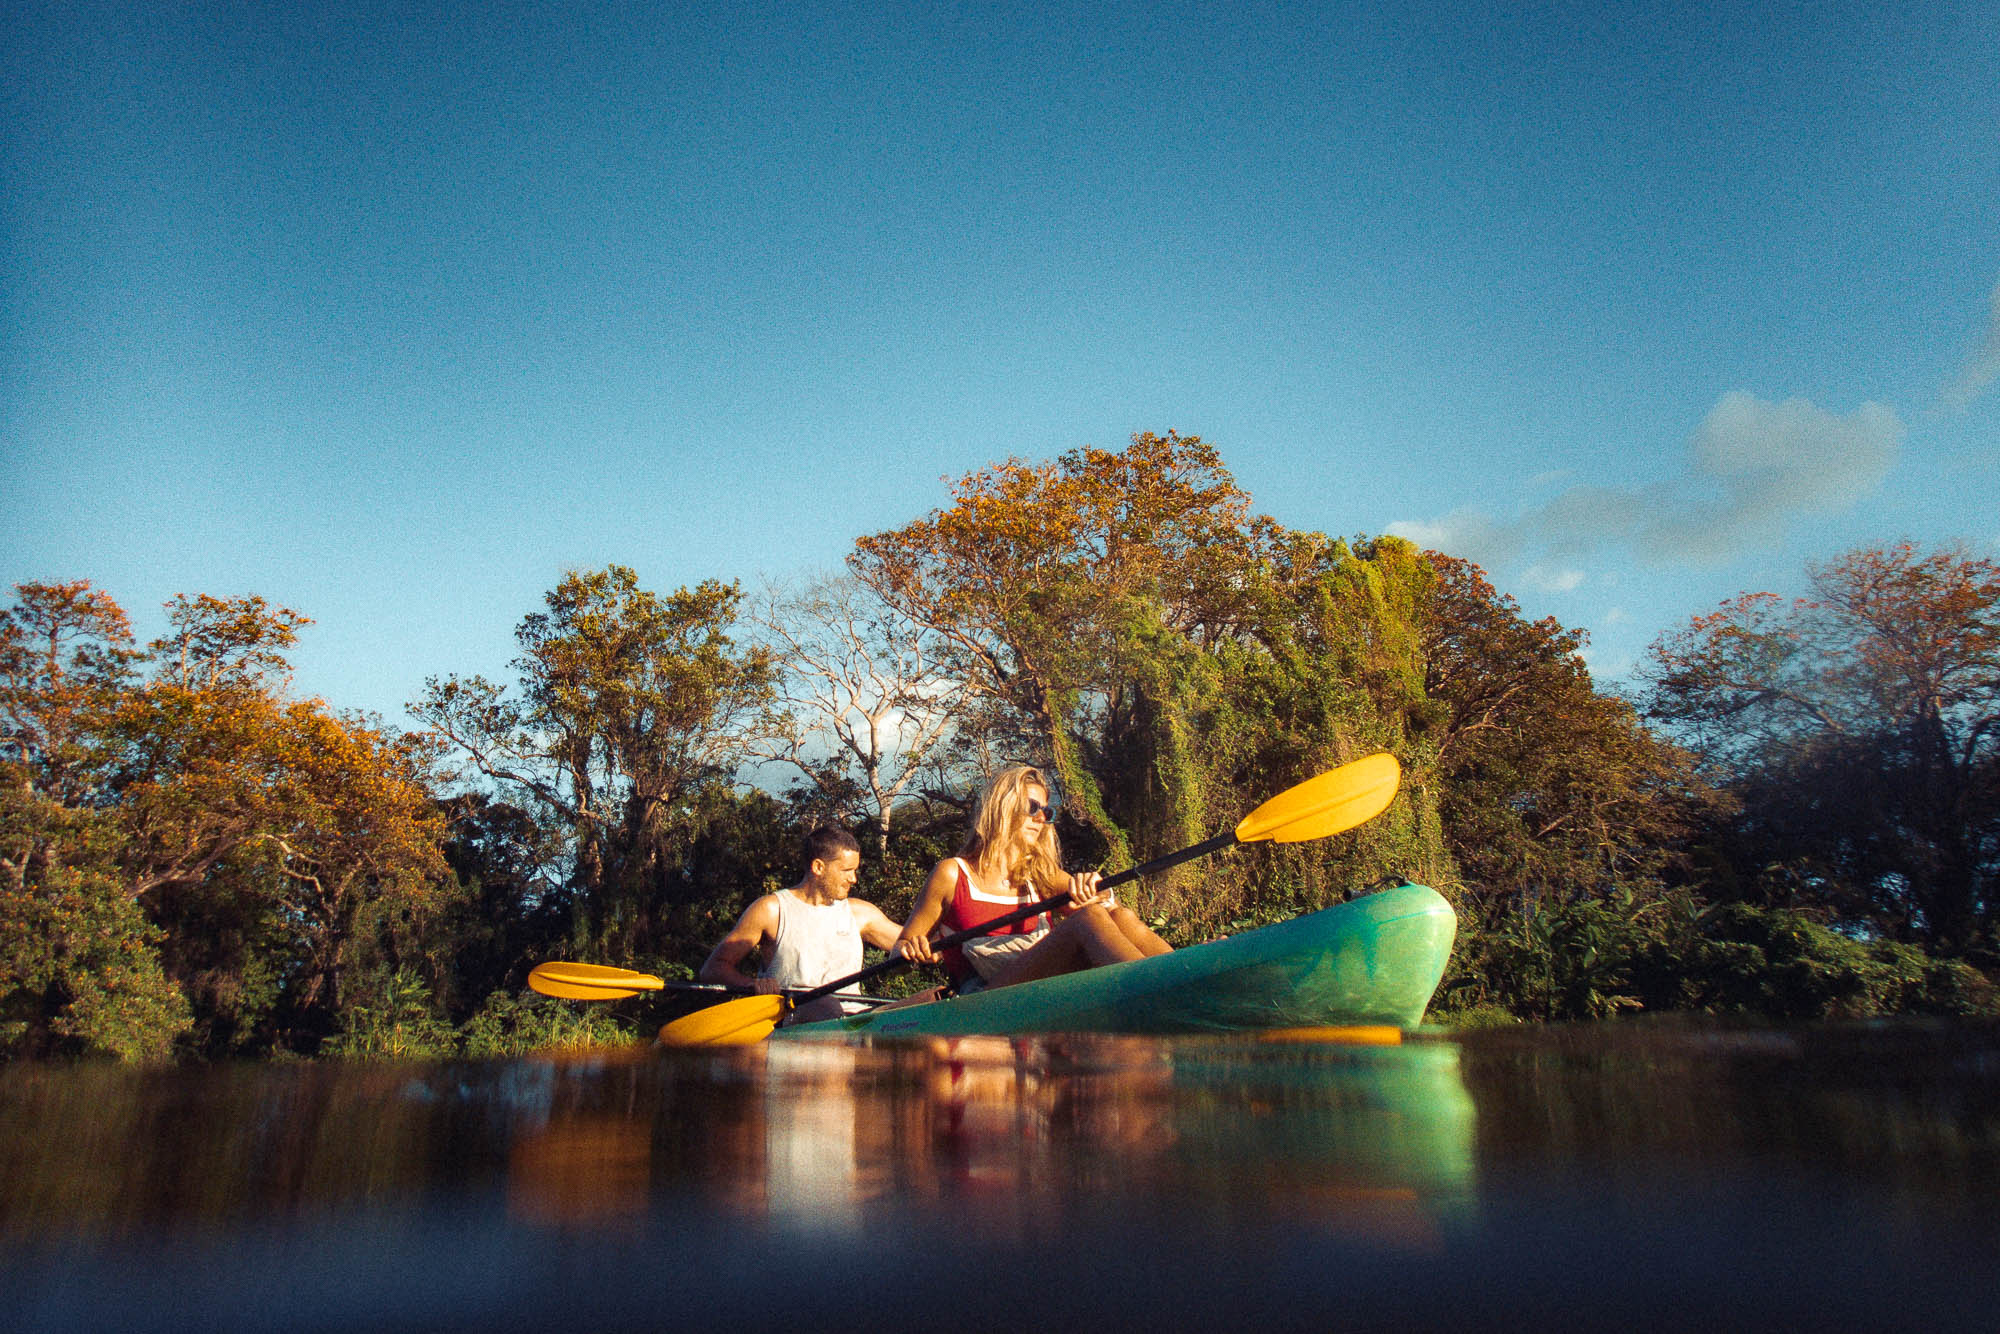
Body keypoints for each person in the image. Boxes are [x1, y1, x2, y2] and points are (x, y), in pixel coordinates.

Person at [893, 764, 1171, 991]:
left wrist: (1099, 892)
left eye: (1047, 812)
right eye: (1032, 807)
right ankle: (1153, 990)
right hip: (986, 998)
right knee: (1087, 919)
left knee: (1120, 915)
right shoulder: (953, 874)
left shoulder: (1039, 873)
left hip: (1039, 989)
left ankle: (1181, 976)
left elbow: (1105, 910)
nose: (1041, 818)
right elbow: (899, 951)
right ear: (1002, 807)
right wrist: (910, 950)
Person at [700, 825, 903, 1024]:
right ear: (818, 867)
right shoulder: (771, 910)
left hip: (856, 1019)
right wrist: (752, 984)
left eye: (855, 870)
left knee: (922, 1001)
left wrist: (918, 944)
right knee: (824, 1004)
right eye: (846, 870)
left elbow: (909, 940)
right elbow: (713, 969)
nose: (854, 879)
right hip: (795, 1018)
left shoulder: (861, 913)